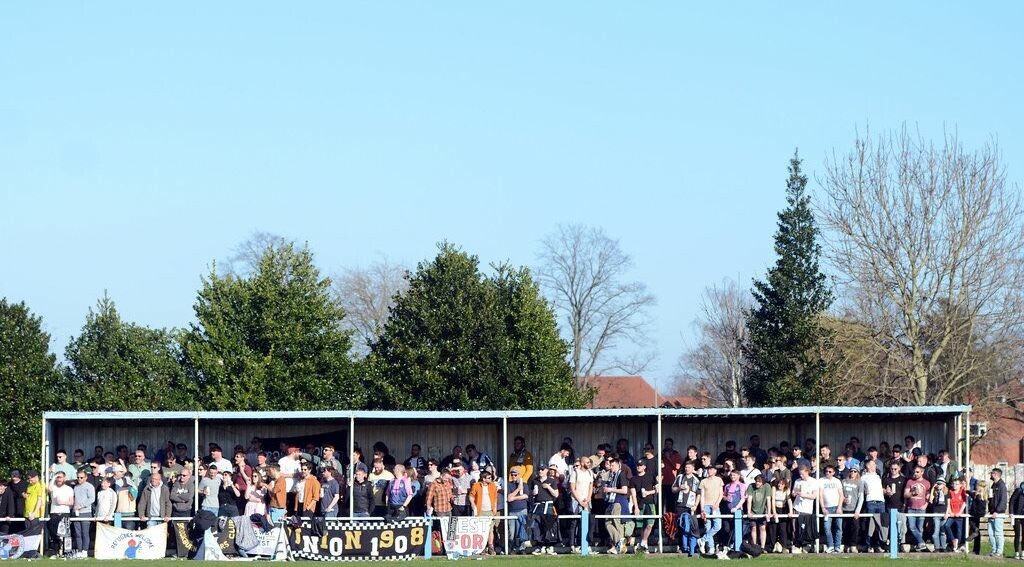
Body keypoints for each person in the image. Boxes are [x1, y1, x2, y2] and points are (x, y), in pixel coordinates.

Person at [672, 461, 701, 557]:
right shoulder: (680, 477)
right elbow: (673, 489)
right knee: (681, 526)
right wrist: (680, 488)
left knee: (692, 527)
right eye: (686, 467)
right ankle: (682, 547)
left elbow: (698, 494)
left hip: (691, 507)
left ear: (693, 469)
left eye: (689, 467)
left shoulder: (696, 480)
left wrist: (696, 505)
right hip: (680, 506)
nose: (686, 469)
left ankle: (692, 547)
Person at [628, 460, 657, 552]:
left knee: (650, 524)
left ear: (644, 467)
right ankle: (645, 547)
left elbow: (657, 489)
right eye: (637, 465)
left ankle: (643, 542)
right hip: (640, 504)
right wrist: (635, 507)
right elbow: (633, 494)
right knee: (641, 526)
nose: (638, 467)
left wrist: (648, 492)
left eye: (640, 465)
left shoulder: (650, 477)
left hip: (650, 503)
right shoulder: (633, 479)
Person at [531, 466, 560, 555]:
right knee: (537, 526)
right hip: (538, 505)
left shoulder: (552, 481)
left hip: (548, 505)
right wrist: (533, 493)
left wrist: (548, 487)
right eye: (539, 469)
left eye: (542, 469)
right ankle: (540, 546)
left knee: (549, 526)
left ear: (546, 471)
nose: (540, 471)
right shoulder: (535, 481)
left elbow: (556, 494)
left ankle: (549, 546)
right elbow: (531, 495)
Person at [569, 456, 595, 553]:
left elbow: (591, 486)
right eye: (587, 462)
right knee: (574, 523)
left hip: (586, 501)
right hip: (576, 501)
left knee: (586, 523)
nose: (589, 464)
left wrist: (588, 498)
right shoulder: (575, 472)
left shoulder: (590, 473)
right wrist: (579, 500)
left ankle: (583, 544)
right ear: (583, 462)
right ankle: (572, 545)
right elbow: (572, 488)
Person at [469, 470, 498, 554]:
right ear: (483, 478)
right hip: (480, 511)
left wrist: (495, 507)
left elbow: (495, 497)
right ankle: (481, 547)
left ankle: (490, 546)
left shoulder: (492, 485)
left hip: (490, 510)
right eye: (489, 478)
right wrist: (473, 505)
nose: (490, 479)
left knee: (490, 530)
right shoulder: (476, 485)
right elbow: (471, 496)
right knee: (481, 530)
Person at [697, 465, 724, 554]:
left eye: (711, 469)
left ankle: (703, 540)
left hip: (715, 506)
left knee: (717, 526)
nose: (709, 471)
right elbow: (702, 496)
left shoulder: (719, 480)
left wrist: (717, 503)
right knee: (707, 527)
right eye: (708, 469)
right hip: (706, 506)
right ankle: (711, 548)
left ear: (715, 471)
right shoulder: (703, 481)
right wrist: (702, 509)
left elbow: (721, 494)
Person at [46, 471, 74, 556]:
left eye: (61, 477)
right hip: (54, 513)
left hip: (64, 513)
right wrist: (54, 477)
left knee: (66, 534)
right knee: (53, 533)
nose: (59, 479)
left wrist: (62, 502)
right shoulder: (53, 487)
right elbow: (48, 489)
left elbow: (71, 502)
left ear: (64, 478)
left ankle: (66, 553)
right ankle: (56, 552)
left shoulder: (69, 489)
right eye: (58, 477)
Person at [791, 465, 818, 553]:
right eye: (800, 474)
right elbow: (793, 492)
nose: (801, 476)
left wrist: (804, 495)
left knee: (806, 528)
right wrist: (795, 493)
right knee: (796, 528)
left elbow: (814, 496)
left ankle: (806, 545)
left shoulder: (813, 481)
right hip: (797, 507)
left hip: (807, 508)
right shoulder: (797, 481)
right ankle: (796, 545)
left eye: (802, 474)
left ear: (807, 472)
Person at [819, 465, 845, 553]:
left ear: (834, 473)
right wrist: (823, 507)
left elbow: (841, 495)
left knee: (839, 527)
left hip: (837, 507)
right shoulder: (821, 481)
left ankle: (837, 546)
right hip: (827, 508)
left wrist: (839, 507)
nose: (828, 473)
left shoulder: (837, 481)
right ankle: (830, 545)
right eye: (826, 471)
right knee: (827, 528)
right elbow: (820, 495)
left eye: (830, 472)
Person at [840, 465, 864, 552]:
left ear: (858, 473)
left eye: (855, 471)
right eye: (851, 471)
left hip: (854, 509)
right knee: (845, 528)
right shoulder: (843, 481)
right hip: (844, 509)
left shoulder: (860, 482)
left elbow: (861, 497)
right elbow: (840, 494)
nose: (853, 473)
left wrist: (857, 510)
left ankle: (853, 545)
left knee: (855, 527)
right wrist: (843, 500)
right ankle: (846, 545)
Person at [71, 471, 95, 558]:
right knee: (77, 533)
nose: (79, 479)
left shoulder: (89, 486)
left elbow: (92, 499)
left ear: (86, 477)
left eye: (81, 477)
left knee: (85, 533)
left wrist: (81, 505)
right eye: (78, 477)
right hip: (76, 513)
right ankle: (79, 550)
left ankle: (85, 550)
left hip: (86, 512)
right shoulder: (76, 487)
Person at [506, 466, 530, 553]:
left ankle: (522, 548)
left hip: (522, 510)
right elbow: (509, 499)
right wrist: (518, 490)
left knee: (522, 530)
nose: (513, 476)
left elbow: (526, 496)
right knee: (512, 532)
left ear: (519, 475)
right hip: (512, 511)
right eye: (512, 475)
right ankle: (511, 548)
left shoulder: (524, 484)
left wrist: (514, 497)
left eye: (515, 475)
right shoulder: (509, 485)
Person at [746, 474, 772, 551]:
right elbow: (749, 500)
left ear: (763, 483)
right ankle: (755, 546)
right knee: (753, 528)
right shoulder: (751, 486)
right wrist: (748, 512)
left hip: (762, 511)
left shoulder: (767, 486)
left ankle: (762, 547)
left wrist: (769, 512)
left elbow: (768, 500)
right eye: (756, 481)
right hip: (753, 511)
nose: (757, 483)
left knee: (762, 528)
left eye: (759, 482)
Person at [944, 476, 968, 553]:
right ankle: (953, 540)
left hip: (959, 515)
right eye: (953, 484)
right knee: (946, 525)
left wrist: (960, 512)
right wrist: (949, 512)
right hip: (952, 514)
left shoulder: (962, 491)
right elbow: (948, 502)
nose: (954, 485)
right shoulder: (950, 491)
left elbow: (965, 502)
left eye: (957, 484)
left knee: (959, 531)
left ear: (960, 485)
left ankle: (957, 546)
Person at [768, 477, 792, 553]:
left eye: (782, 484)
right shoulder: (774, 488)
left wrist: (790, 511)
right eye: (779, 483)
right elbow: (773, 500)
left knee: (783, 529)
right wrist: (774, 512)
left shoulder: (787, 490)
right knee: (773, 528)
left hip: (783, 509)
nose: (779, 485)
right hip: (775, 508)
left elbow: (789, 500)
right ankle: (772, 546)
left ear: (785, 485)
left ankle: (784, 547)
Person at [990, 467, 1008, 558]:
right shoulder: (994, 485)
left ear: (996, 475)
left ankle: (999, 551)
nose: (991, 475)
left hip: (998, 514)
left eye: (992, 473)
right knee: (991, 533)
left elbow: (1003, 501)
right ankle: (994, 550)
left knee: (998, 533)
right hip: (992, 513)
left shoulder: (1002, 486)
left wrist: (997, 511)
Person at [928, 477, 948, 551]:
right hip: (936, 513)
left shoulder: (946, 492)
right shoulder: (935, 492)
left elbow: (948, 504)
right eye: (938, 483)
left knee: (942, 532)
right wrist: (933, 488)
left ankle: (943, 547)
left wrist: (947, 513)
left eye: (940, 483)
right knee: (936, 532)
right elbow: (930, 500)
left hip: (943, 513)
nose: (939, 485)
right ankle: (937, 547)